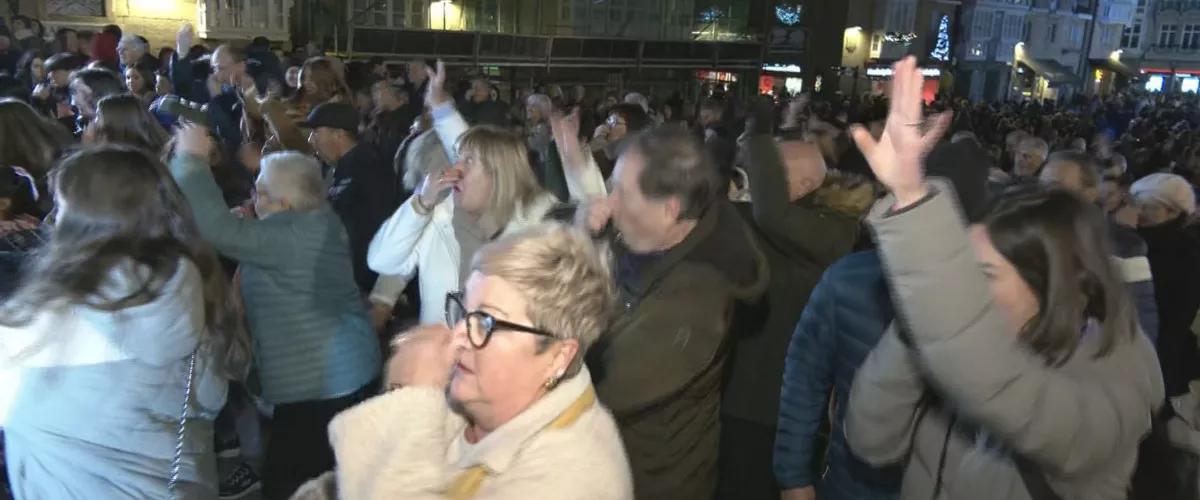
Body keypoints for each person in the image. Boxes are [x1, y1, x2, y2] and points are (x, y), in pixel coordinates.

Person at [845, 56, 1162, 499]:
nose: (965, 287)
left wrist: (914, 204)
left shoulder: (1114, 369)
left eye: (985, 273)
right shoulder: (960, 338)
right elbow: (871, 439)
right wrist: (917, 323)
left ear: (1049, 282)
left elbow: (1008, 392)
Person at [291, 223, 634, 499]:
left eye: (487, 321)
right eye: (465, 311)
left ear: (558, 356)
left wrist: (412, 401)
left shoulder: (573, 478)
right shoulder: (476, 399)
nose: (458, 336)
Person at [0, 144, 249, 498]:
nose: (54, 219)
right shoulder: (191, 286)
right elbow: (211, 398)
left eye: (63, 207)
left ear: (83, 221)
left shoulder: (43, 324)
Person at [169, 125, 382, 500]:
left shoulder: (291, 235)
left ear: (279, 201)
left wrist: (190, 160)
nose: (253, 197)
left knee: (291, 482)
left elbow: (215, 228)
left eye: (259, 191)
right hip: (338, 372)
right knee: (328, 475)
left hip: (323, 382)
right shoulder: (313, 221)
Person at [578, 124, 768, 500]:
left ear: (669, 211)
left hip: (651, 482)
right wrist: (584, 232)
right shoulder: (660, 238)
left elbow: (599, 389)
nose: (609, 204)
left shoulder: (695, 304)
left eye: (622, 194)